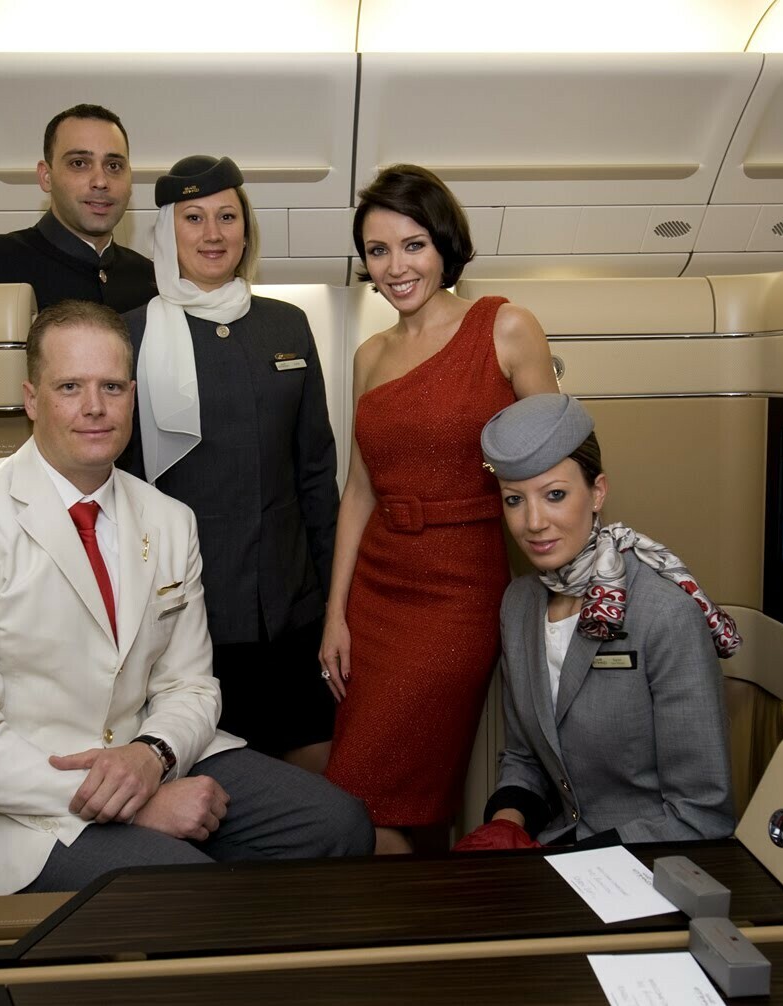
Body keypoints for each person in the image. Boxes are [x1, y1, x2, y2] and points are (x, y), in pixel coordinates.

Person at [0, 300, 371, 899]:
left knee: (339, 826)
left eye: (111, 387)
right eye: (70, 387)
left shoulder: (169, 520)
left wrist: (152, 755)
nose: (94, 407)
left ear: (133, 397)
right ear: (32, 399)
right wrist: (133, 802)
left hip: (141, 749)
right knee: (187, 892)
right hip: (5, 800)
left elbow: (191, 686)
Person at [320, 164, 559, 853]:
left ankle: (397, 913)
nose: (396, 267)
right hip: (377, 590)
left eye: (413, 245)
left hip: (459, 590)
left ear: (444, 244)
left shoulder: (506, 328)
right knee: (358, 790)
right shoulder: (369, 355)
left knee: (380, 792)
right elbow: (359, 490)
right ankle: (410, 910)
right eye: (378, 250)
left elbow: (555, 461)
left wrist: (573, 586)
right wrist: (336, 613)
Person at [120, 155, 339, 773]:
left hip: (290, 605)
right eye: (193, 218)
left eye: (227, 216)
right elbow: (119, 483)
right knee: (215, 785)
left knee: (314, 774)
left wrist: (335, 601)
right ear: (167, 232)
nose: (212, 233)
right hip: (190, 612)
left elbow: (316, 472)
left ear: (246, 230)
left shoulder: (287, 325)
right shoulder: (130, 335)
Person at [456, 394, 737, 851]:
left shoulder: (664, 615)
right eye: (514, 500)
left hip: (646, 860)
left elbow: (702, 814)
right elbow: (526, 758)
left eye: (555, 495)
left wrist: (572, 860)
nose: (533, 522)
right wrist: (506, 826)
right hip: (558, 850)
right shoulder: (519, 606)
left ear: (598, 492)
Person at [0, 103, 157, 313]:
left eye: (113, 166)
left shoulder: (150, 279)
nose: (100, 182)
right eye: (79, 163)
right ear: (46, 177)